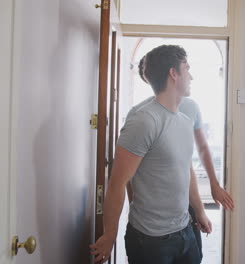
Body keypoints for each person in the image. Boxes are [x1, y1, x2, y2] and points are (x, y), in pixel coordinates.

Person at [90, 45, 211, 264]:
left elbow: (187, 169)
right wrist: (109, 235)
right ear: (173, 74)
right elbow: (117, 183)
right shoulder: (144, 121)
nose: (191, 76)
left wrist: (200, 211)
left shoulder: (185, 121)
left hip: (185, 231)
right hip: (150, 240)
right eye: (187, 69)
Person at [131, 55, 235, 259]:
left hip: (185, 202)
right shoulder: (140, 116)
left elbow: (202, 148)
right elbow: (128, 173)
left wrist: (213, 186)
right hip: (153, 217)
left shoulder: (191, 107)